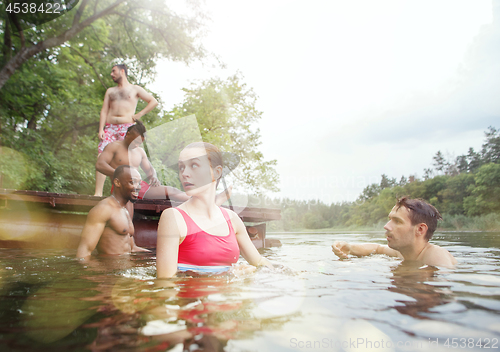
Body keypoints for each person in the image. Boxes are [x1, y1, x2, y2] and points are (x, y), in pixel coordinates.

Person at [156, 142, 273, 278]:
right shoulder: (173, 217)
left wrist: (289, 275)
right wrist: (229, 275)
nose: (184, 174)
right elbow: (166, 283)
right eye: (181, 167)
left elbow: (258, 261)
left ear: (216, 172)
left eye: (194, 165)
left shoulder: (232, 219)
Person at [96, 121, 230, 203]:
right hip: (124, 187)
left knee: (171, 191)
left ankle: (205, 199)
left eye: (140, 143)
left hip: (140, 187)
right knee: (166, 193)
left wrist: (153, 176)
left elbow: (149, 169)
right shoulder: (114, 146)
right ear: (128, 133)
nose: (136, 144)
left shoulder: (140, 152)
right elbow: (100, 165)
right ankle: (207, 199)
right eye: (135, 141)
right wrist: (120, 175)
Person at [331, 197, 457, 268]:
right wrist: (351, 248)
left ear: (420, 230)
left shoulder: (436, 257)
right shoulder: (402, 252)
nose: (386, 226)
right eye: (390, 219)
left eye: (397, 221)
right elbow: (377, 248)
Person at [95, 64, 158, 196]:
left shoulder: (134, 89)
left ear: (122, 71)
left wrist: (139, 115)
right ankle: (98, 192)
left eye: (114, 71)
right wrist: (101, 128)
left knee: (128, 156)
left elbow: (153, 101)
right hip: (110, 127)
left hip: (127, 126)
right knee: (102, 154)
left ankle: (131, 188)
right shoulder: (110, 91)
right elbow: (104, 110)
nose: (111, 74)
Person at [77, 165, 149, 259]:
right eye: (132, 182)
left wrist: (155, 255)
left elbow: (132, 249)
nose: (138, 187)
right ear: (117, 182)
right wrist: (98, 273)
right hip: (110, 270)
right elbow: (84, 252)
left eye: (139, 183)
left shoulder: (124, 210)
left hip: (124, 269)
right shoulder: (104, 209)